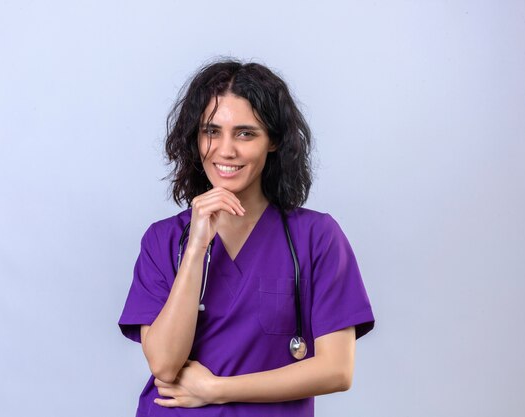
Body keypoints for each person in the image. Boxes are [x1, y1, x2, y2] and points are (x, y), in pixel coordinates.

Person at [118, 59, 375, 416]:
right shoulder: (164, 241)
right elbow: (163, 364)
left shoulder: (316, 238)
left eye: (245, 133)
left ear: (273, 141)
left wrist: (217, 390)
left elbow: (337, 370)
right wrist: (196, 246)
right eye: (211, 131)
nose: (226, 150)